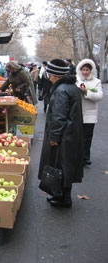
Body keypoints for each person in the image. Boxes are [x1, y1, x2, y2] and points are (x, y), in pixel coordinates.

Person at [38, 59, 84, 208]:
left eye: (50, 74)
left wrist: (54, 137)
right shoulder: (72, 87)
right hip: (72, 134)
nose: (49, 77)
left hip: (64, 135)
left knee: (59, 165)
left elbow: (59, 116)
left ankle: (61, 197)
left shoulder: (61, 90)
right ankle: (64, 196)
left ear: (55, 75)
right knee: (67, 165)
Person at [75, 59, 103, 166]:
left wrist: (87, 92)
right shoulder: (76, 80)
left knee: (87, 136)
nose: (85, 72)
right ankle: (77, 156)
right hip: (77, 112)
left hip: (90, 114)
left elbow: (99, 96)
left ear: (91, 70)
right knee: (77, 136)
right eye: (83, 70)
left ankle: (85, 157)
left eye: (87, 70)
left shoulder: (96, 82)